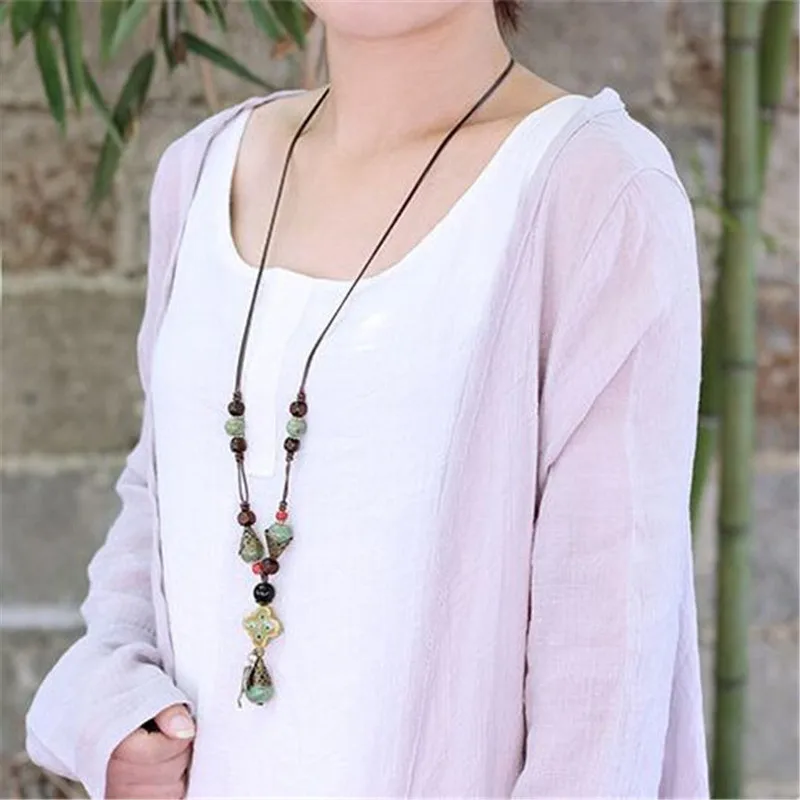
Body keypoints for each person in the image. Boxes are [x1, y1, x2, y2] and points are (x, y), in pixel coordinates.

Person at [25, 0, 710, 797]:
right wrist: (114, 711)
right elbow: (157, 504)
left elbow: (603, 676)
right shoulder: (203, 170)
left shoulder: (595, 194)